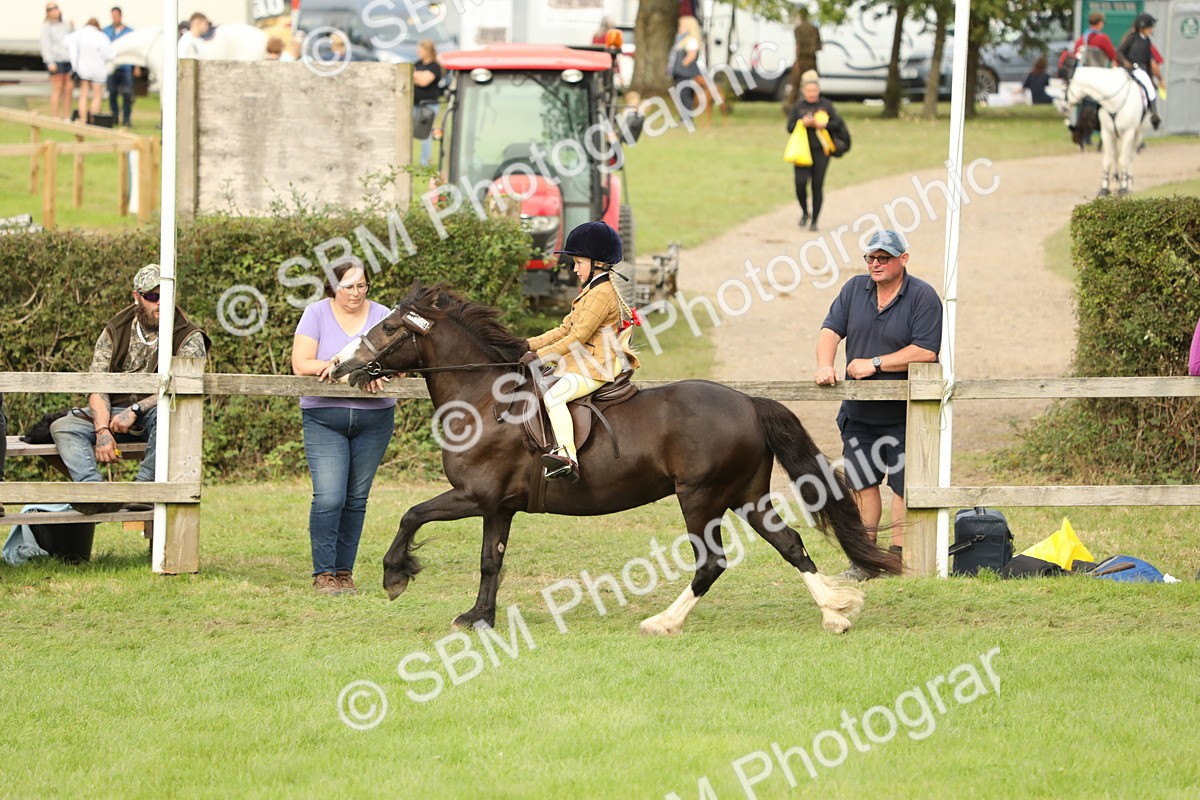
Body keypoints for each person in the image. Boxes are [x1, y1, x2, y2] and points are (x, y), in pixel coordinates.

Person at [814, 229, 943, 581]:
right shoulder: (854, 289)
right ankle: (865, 559)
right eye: (871, 257)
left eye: (883, 258)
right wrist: (826, 364)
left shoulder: (923, 297)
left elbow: (926, 350)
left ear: (903, 259)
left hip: (906, 415)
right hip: (859, 413)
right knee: (861, 484)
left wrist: (874, 363)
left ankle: (899, 557)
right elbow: (829, 330)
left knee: (903, 486)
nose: (875, 264)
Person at [49, 265, 210, 515]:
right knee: (63, 426)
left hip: (161, 412)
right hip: (113, 413)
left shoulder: (190, 336)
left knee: (171, 414)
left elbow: (183, 386)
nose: (160, 303)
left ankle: (143, 490)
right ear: (137, 296)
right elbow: (97, 384)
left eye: (166, 296)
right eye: (153, 296)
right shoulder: (114, 330)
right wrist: (102, 429)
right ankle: (94, 494)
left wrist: (136, 409)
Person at [291, 260, 395, 596]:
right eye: (348, 286)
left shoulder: (383, 315)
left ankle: (344, 573)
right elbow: (301, 364)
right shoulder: (316, 313)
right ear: (333, 286)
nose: (355, 293)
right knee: (329, 497)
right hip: (325, 417)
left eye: (361, 285)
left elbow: (401, 363)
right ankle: (323, 573)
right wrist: (341, 367)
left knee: (356, 499)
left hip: (374, 420)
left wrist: (382, 373)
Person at [527, 221, 640, 482]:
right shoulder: (591, 290)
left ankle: (567, 457)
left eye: (578, 263)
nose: (575, 269)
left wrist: (541, 357)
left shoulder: (601, 294)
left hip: (597, 365)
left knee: (554, 397)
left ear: (597, 263)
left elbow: (577, 337)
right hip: (583, 362)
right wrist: (527, 344)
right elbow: (564, 328)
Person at [786, 70, 846, 232]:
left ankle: (815, 221)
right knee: (800, 184)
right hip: (802, 152)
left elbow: (838, 124)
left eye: (814, 91)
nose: (812, 94)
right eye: (809, 91)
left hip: (821, 151)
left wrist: (822, 125)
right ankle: (805, 212)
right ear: (803, 91)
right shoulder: (798, 107)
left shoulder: (826, 106)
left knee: (817, 186)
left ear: (818, 90)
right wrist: (802, 122)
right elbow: (789, 128)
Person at [670, 15, 722, 127]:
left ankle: (687, 120)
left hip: (686, 73)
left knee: (685, 96)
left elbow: (691, 55)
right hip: (680, 73)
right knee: (680, 96)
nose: (679, 27)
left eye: (682, 25)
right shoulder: (682, 38)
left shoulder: (691, 40)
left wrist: (683, 64)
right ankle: (683, 119)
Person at [1118, 13, 1161, 130]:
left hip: (1140, 69)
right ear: (1142, 27)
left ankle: (1154, 114)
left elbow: (1148, 61)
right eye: (1149, 27)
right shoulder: (1132, 38)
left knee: (1150, 87)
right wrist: (1126, 63)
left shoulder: (1147, 41)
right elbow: (1120, 52)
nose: (1151, 30)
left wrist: (1151, 77)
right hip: (1129, 68)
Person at [68, 18, 114, 124]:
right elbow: (109, 54)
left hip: (83, 70)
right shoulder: (101, 36)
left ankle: (83, 119)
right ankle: (94, 120)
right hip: (98, 70)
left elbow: (68, 45)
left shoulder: (79, 35)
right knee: (97, 95)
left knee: (83, 95)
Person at [783, 8, 822, 112]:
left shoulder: (798, 29)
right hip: (811, 61)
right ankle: (814, 107)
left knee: (795, 85)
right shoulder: (815, 29)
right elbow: (819, 47)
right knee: (813, 83)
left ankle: (789, 107)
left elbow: (798, 45)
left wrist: (796, 61)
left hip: (801, 60)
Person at [103, 7, 136, 128]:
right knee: (112, 93)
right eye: (113, 15)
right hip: (112, 67)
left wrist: (136, 67)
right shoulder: (106, 31)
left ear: (120, 16)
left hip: (125, 67)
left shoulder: (129, 32)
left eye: (116, 15)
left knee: (127, 95)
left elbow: (134, 50)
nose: (114, 18)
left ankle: (127, 118)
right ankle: (115, 116)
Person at [412, 39, 443, 168]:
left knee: (425, 135)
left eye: (421, 49)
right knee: (411, 133)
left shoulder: (435, 66)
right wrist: (418, 75)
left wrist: (415, 75)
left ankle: (424, 163)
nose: (418, 52)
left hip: (429, 106)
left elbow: (424, 81)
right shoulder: (418, 63)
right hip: (415, 104)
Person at [41, 3, 73, 120]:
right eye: (51, 9)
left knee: (68, 88)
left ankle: (66, 116)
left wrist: (72, 27)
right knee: (57, 89)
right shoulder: (47, 27)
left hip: (67, 60)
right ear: (48, 12)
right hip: (56, 60)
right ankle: (55, 116)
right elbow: (45, 45)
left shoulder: (65, 25)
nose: (54, 11)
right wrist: (50, 62)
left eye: (55, 8)